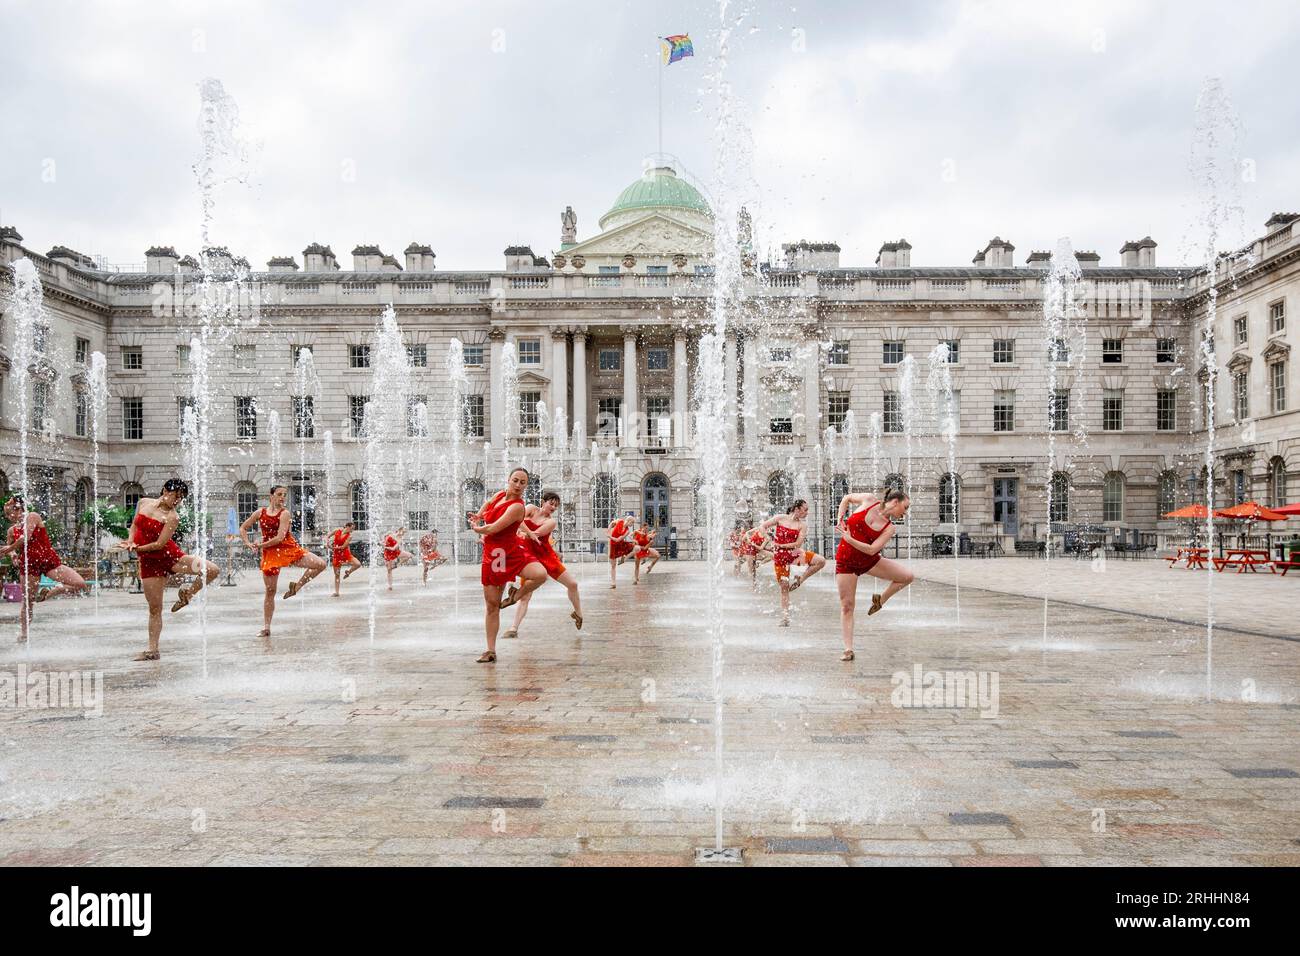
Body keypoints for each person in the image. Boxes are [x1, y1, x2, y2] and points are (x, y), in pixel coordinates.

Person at [122, 479, 220, 661]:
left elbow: (159, 544)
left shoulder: (173, 517)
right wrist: (130, 541)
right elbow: (135, 525)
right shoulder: (143, 503)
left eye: (181, 498)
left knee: (212, 570)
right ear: (165, 490)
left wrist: (136, 549)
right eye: (176, 496)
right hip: (150, 564)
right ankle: (152, 650)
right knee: (155, 608)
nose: (177, 501)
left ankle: (188, 594)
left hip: (171, 557)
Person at [468, 467, 548, 663]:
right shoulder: (499, 495)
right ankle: (490, 650)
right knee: (492, 604)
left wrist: (478, 528)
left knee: (540, 574)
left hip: (510, 552)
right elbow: (487, 504)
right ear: (509, 480)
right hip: (494, 556)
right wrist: (478, 515)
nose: (518, 485)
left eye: (523, 482)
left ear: (526, 486)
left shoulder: (518, 507)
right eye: (515, 480)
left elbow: (494, 528)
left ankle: (516, 596)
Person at [834, 489, 914, 661]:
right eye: (905, 507)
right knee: (847, 606)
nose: (905, 512)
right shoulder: (869, 500)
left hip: (868, 560)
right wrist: (840, 519)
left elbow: (871, 550)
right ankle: (848, 649)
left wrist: (850, 540)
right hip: (846, 561)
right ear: (895, 502)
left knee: (907, 576)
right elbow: (846, 498)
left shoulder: (890, 528)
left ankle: (881, 600)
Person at [239, 485, 326, 637]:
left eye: (284, 495)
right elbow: (243, 528)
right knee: (270, 591)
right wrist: (248, 544)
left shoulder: (285, 513)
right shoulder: (260, 513)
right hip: (270, 553)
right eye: (279, 494)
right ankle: (266, 628)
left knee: (321, 564)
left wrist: (259, 545)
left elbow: (280, 538)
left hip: (287, 548)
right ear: (271, 496)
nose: (282, 497)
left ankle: (297, 586)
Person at [1, 495, 88, 643]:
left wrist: (9, 548)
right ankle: (24, 634)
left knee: (80, 584)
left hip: (48, 560)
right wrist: (13, 555)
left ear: (19, 509)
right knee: (28, 601)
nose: (9, 517)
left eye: (10, 513)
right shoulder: (11, 530)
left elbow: (25, 538)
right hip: (29, 565)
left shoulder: (33, 516)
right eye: (6, 514)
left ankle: (53, 591)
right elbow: (13, 547)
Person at [501, 490, 583, 639]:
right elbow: (515, 518)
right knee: (526, 596)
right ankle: (513, 628)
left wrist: (520, 532)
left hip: (546, 556)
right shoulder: (531, 509)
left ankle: (578, 614)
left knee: (573, 584)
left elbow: (535, 534)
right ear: (543, 502)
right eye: (551, 503)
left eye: (556, 506)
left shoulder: (551, 522)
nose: (553, 507)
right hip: (528, 556)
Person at [760, 499, 827, 626]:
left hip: (795, 554)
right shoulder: (780, 518)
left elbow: (798, 544)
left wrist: (781, 545)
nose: (807, 513)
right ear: (797, 509)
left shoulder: (802, 525)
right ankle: (785, 618)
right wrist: (769, 540)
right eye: (805, 510)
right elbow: (762, 526)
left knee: (821, 561)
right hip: (780, 557)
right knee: (784, 587)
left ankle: (800, 580)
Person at [328, 521, 361, 596]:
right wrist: (327, 542)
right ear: (347, 526)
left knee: (358, 564)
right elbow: (328, 536)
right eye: (351, 528)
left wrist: (332, 547)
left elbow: (343, 547)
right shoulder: (337, 531)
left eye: (353, 529)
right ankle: (337, 592)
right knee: (337, 574)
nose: (352, 530)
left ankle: (348, 572)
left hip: (345, 554)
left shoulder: (350, 536)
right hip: (337, 555)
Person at [607, 511, 636, 589]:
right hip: (613, 546)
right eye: (632, 523)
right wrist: (609, 531)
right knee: (613, 565)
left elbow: (618, 539)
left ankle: (624, 557)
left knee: (635, 548)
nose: (632, 525)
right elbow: (611, 523)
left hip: (619, 544)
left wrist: (609, 537)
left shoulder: (627, 531)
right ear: (629, 521)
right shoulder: (619, 521)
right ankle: (613, 583)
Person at [382, 526, 414, 590]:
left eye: (404, 533)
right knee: (389, 570)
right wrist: (383, 544)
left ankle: (398, 564)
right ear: (399, 530)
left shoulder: (400, 539)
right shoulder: (390, 534)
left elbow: (394, 548)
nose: (403, 534)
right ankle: (390, 586)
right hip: (387, 553)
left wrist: (385, 547)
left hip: (395, 552)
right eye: (403, 532)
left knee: (410, 555)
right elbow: (383, 541)